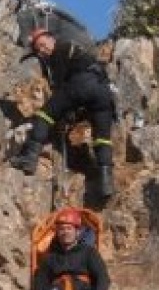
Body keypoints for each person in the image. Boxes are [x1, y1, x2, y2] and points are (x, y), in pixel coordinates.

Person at [10, 28, 117, 198]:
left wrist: (63, 111)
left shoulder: (61, 49)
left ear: (51, 39)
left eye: (43, 45)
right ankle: (105, 184)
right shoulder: (79, 51)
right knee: (102, 137)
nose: (42, 51)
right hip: (102, 91)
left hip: (80, 84)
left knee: (44, 115)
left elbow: (60, 87)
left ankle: (29, 158)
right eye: (39, 49)